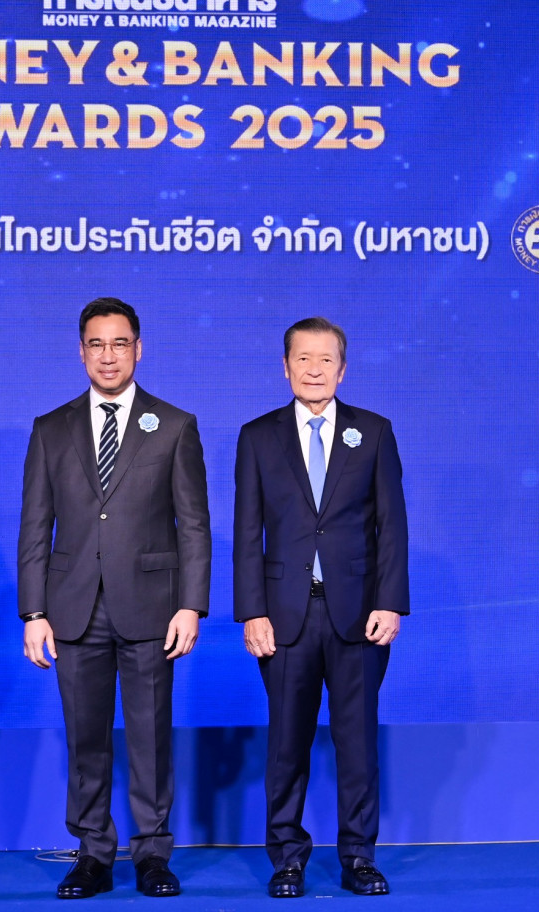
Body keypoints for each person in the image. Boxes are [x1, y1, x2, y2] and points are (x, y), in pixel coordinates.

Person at [18, 297, 211, 899]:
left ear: (139, 349)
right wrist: (34, 612)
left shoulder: (174, 424)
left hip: (153, 607)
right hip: (72, 608)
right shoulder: (51, 428)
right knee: (85, 738)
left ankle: (152, 853)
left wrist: (191, 604)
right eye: (97, 344)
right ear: (81, 352)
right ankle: (93, 854)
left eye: (120, 343)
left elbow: (194, 525)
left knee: (150, 736)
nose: (108, 356)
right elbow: (34, 527)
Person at [233, 317, 410, 898]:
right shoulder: (258, 436)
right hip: (285, 617)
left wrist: (390, 602)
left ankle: (359, 856)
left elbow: (392, 527)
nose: (314, 369)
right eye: (303, 359)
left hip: (358, 616)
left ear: (343, 368)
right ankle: (287, 858)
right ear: (285, 367)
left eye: (326, 359)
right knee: (287, 745)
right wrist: (251, 612)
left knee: (357, 744)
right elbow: (247, 532)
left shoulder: (373, 432)